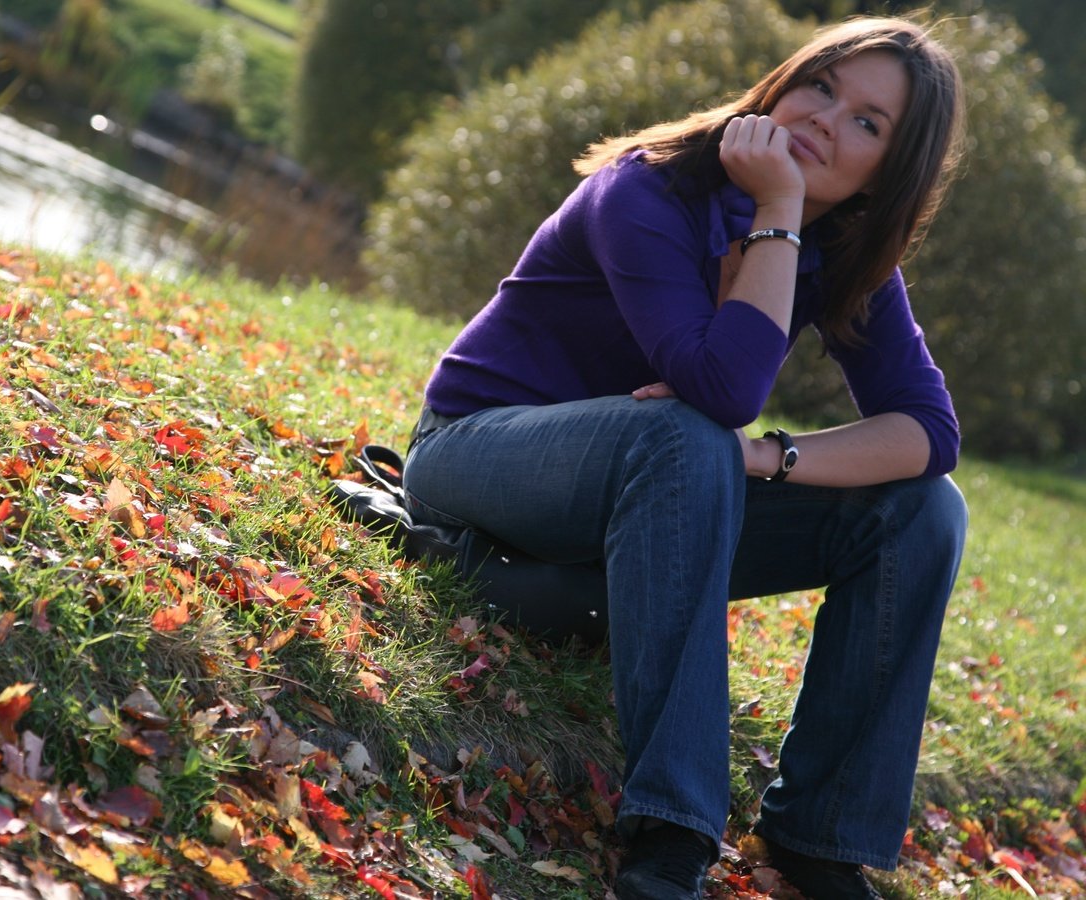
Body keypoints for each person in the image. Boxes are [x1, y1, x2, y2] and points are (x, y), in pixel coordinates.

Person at [400, 15, 969, 900]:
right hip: (478, 452)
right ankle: (674, 828)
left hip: (660, 486)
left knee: (923, 511)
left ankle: (819, 837)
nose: (826, 119)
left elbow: (930, 434)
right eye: (822, 86)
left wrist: (761, 460)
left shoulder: (846, 253)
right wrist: (779, 208)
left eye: (868, 121)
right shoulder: (651, 190)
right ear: (781, 83)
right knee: (687, 434)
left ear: (889, 172)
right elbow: (721, 384)